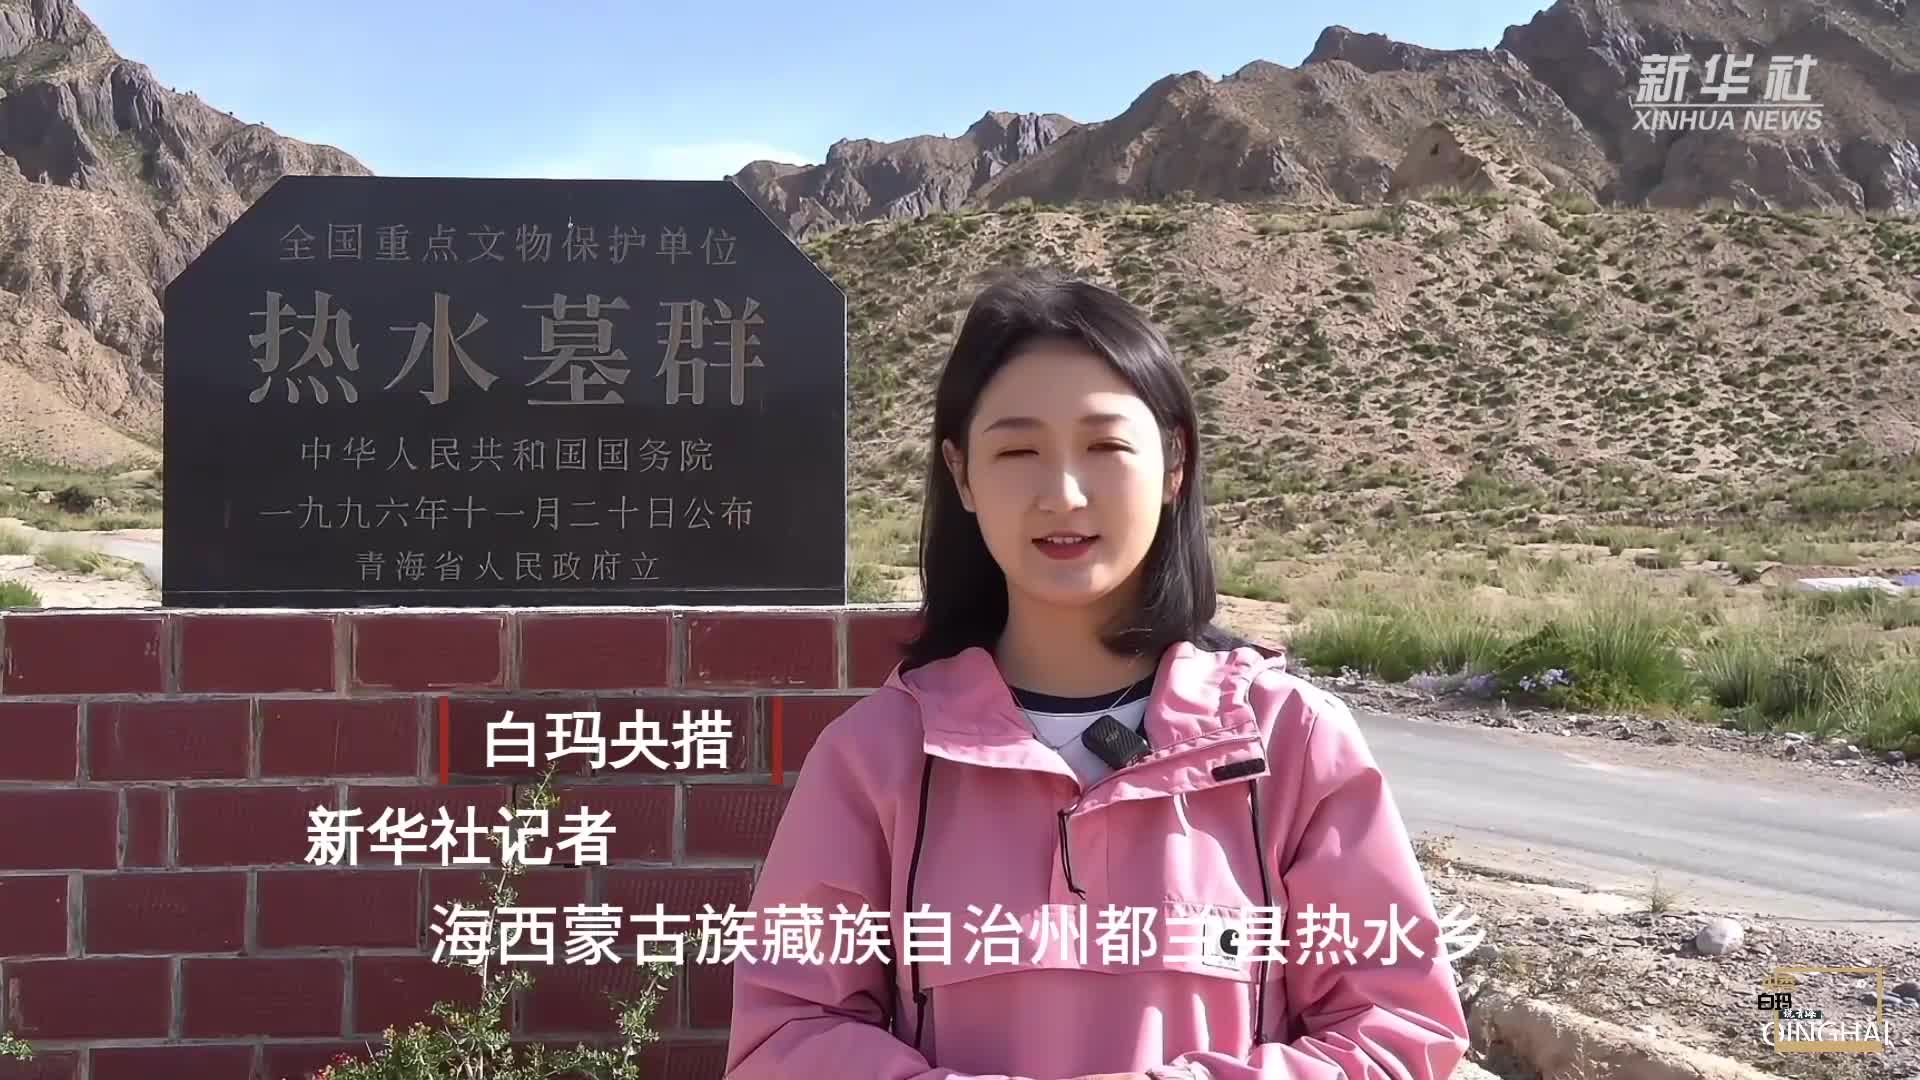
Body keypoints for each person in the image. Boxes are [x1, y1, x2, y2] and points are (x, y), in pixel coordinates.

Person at [722, 267, 1470, 1080]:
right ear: (963, 474)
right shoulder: (878, 758)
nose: (1064, 493)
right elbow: (786, 1040)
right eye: (1017, 450)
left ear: (1174, 464)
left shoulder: (1291, 742)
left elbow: (1398, 1035)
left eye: (1106, 446)